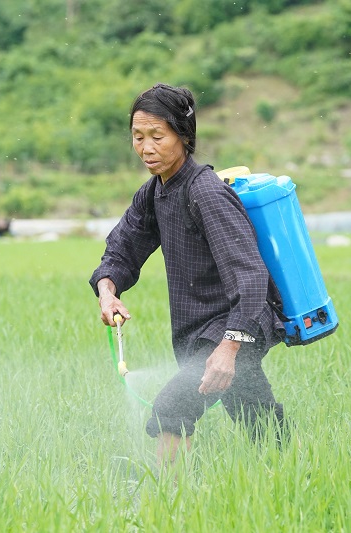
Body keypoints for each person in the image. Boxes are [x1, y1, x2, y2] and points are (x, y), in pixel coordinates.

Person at [89, 83, 287, 464]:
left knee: (172, 409)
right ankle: (297, 477)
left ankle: (169, 504)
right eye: (138, 137)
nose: (146, 148)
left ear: (183, 135)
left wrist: (228, 349)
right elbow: (122, 248)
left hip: (237, 326)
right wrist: (107, 289)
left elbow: (249, 276)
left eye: (157, 136)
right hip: (202, 332)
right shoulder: (154, 193)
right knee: (256, 418)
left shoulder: (206, 193)